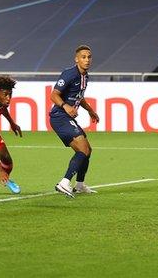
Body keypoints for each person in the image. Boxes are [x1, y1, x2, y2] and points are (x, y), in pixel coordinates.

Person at [50, 44, 100, 198]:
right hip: (60, 117)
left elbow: (79, 97)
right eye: (83, 57)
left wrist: (90, 110)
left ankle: (79, 185)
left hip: (67, 117)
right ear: (76, 59)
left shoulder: (85, 76)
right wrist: (66, 107)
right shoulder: (69, 74)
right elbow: (54, 95)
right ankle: (64, 183)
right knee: (83, 150)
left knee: (88, 150)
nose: (87, 60)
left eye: (89, 57)